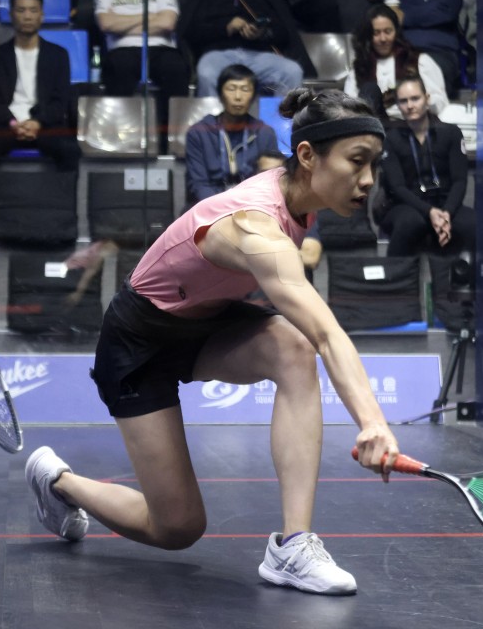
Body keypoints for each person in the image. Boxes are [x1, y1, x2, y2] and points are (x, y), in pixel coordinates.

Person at [24, 87, 401, 596]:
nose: (368, 180)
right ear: (308, 156)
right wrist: (373, 424)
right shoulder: (255, 228)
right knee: (177, 528)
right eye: (357, 162)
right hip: (140, 340)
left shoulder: (298, 199)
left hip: (207, 323)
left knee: (292, 350)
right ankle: (58, 481)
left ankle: (293, 546)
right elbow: (329, 332)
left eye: (374, 164)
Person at [0, 0, 81, 213]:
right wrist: (14, 124)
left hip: (44, 125)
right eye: (21, 10)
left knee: (70, 150)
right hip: (6, 125)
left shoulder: (58, 55)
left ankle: (63, 212)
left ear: (41, 15)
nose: (27, 16)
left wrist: (37, 123)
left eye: (33, 10)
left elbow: (59, 102)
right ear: (11, 14)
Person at [177, 0, 316, 98]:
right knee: (207, 72)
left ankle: (277, 121)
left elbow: (284, 32)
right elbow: (192, 31)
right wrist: (226, 27)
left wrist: (263, 33)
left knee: (292, 71)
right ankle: (212, 121)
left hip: (259, 54)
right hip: (218, 54)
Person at [95, 0, 189, 148]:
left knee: (175, 67)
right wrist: (150, 16)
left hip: (161, 47)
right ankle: (120, 140)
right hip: (122, 50)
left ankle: (169, 141)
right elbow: (105, 24)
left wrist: (121, 21)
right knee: (119, 67)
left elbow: (168, 22)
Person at [376, 76, 473, 257]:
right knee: (410, 222)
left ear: (427, 99)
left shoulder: (451, 133)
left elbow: (460, 181)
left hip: (445, 202)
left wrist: (447, 214)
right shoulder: (391, 139)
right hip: (404, 205)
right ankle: (395, 279)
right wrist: (429, 212)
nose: (410, 105)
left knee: (473, 223)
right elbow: (398, 188)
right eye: (403, 101)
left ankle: (466, 280)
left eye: (415, 98)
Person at [183, 64, 278, 206]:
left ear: (253, 96)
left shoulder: (265, 133)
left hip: (252, 207)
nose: (238, 97)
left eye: (245, 90)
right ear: (220, 94)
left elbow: (270, 183)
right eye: (231, 89)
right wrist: (226, 210)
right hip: (209, 208)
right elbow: (199, 185)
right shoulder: (199, 133)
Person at [343, 3, 447, 121]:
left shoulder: (419, 61)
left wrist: (416, 101)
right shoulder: (361, 67)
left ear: (396, 32)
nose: (383, 39)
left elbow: (441, 102)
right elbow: (349, 108)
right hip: (377, 128)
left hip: (412, 125)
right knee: (369, 89)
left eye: (388, 31)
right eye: (376, 33)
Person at [387, 0, 463, 96]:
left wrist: (404, 17)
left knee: (421, 74)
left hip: (437, 54)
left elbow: (443, 13)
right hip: (401, 55)